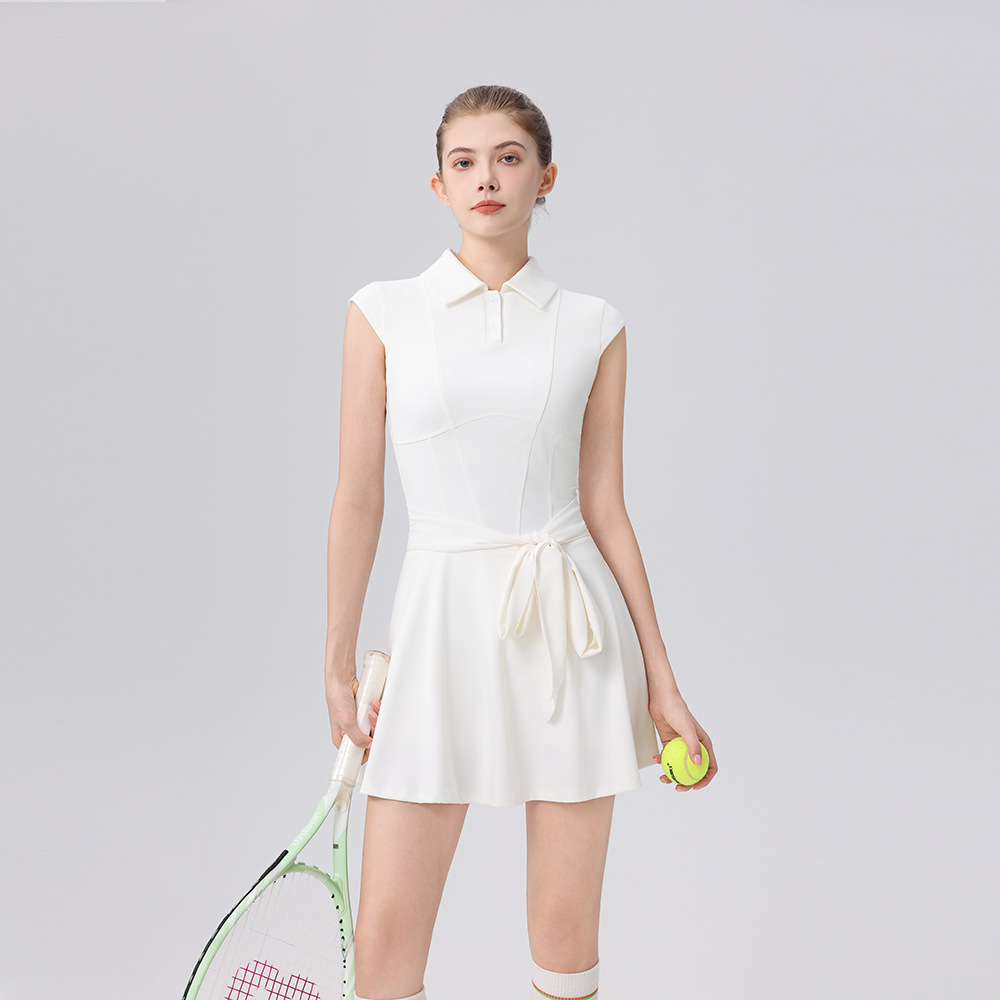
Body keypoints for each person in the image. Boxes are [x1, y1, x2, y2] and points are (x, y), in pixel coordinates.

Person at [324, 84, 718, 1000]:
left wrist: (663, 681)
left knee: (566, 936)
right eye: (464, 162)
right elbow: (358, 497)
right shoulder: (382, 312)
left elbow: (606, 509)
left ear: (546, 177)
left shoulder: (594, 325)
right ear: (438, 185)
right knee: (383, 950)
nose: (487, 178)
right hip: (439, 624)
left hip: (571, 627)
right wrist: (336, 660)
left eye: (508, 158)